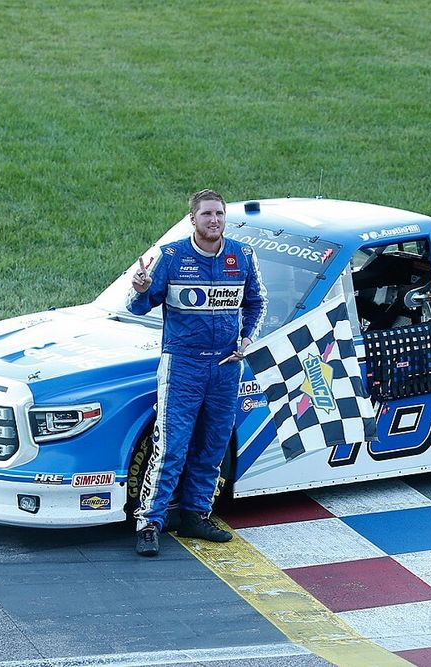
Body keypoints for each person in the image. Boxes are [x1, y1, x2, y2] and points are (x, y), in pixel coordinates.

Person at [128, 189, 266, 557]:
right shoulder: (171, 257)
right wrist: (140, 288)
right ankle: (149, 523)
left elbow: (257, 302)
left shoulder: (242, 255)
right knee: (171, 446)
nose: (214, 220)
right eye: (206, 214)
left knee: (214, 445)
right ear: (193, 219)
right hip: (182, 365)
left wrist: (247, 338)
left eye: (219, 214)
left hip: (225, 366)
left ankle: (196, 515)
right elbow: (139, 306)